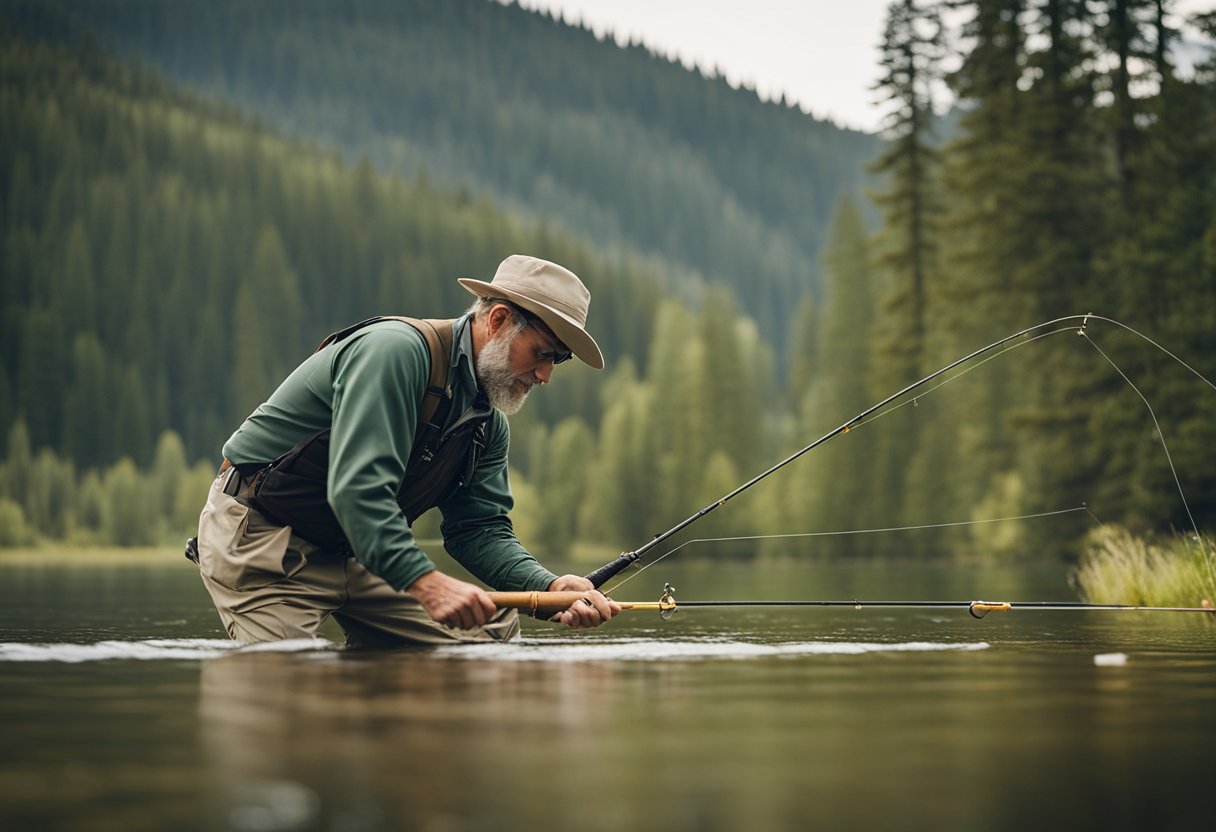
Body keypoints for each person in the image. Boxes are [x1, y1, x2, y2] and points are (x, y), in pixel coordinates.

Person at [192, 255, 620, 645]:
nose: (545, 375)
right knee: (294, 681)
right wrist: (424, 582)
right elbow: (359, 493)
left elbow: (478, 529)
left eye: (558, 360)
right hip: (262, 535)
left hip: (354, 549)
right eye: (542, 353)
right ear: (498, 319)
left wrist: (546, 588)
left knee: (489, 639)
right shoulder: (395, 353)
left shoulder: (487, 426)